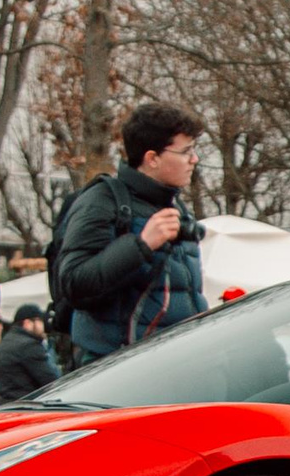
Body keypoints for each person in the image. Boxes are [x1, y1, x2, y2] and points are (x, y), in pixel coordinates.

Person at [60, 102, 208, 363]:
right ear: (152, 158)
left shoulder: (176, 205)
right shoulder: (101, 200)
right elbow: (73, 284)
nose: (194, 159)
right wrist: (140, 246)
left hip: (178, 364)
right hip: (119, 371)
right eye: (186, 151)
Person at [0, 300, 62, 402]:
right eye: (40, 321)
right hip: (31, 406)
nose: (43, 326)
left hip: (9, 405)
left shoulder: (6, 342)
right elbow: (51, 380)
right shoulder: (29, 346)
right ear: (28, 323)